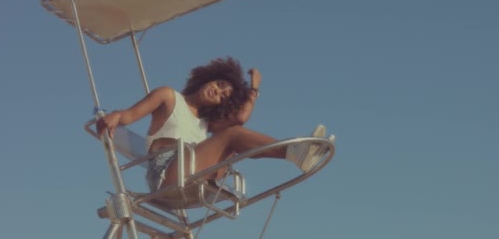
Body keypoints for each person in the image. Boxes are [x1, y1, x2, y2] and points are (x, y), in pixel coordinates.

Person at [96, 57, 333, 192]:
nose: (217, 91)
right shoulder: (169, 97)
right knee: (232, 136)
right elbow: (130, 115)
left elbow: (239, 119)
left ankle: (298, 154)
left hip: (197, 180)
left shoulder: (206, 124)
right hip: (167, 174)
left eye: (223, 96)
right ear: (207, 77)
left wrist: (254, 89)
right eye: (219, 84)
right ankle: (296, 153)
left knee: (234, 138)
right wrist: (115, 115)